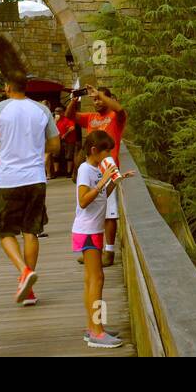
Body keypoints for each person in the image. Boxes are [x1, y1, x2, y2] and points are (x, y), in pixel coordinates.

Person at [0, 75, 58, 306]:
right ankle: (29, 290)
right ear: (27, 88)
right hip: (35, 178)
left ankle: (24, 271)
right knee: (31, 231)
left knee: (4, 231)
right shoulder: (41, 110)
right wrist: (33, 148)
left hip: (8, 180)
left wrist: (2, 145)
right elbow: (55, 144)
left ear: (7, 87)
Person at [74, 128, 134, 348]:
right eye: (106, 151)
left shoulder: (96, 169)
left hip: (93, 229)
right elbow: (83, 201)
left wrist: (113, 182)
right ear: (93, 150)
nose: (109, 155)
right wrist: (102, 182)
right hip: (87, 231)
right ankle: (97, 333)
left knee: (92, 279)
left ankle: (94, 327)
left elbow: (100, 197)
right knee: (96, 279)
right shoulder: (85, 170)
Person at [67, 86, 127, 266]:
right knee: (92, 209)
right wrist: (74, 100)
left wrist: (100, 93)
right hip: (91, 169)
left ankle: (109, 252)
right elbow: (70, 116)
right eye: (94, 99)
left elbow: (120, 109)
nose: (97, 101)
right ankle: (93, 250)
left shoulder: (116, 117)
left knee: (109, 212)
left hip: (108, 168)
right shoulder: (90, 118)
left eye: (101, 98)